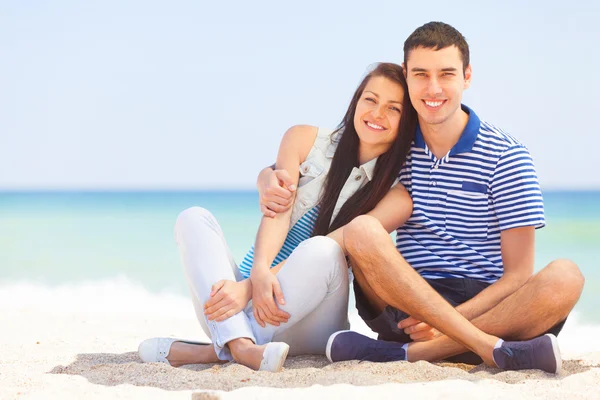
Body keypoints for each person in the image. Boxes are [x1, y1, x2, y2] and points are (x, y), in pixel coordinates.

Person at [257, 22, 585, 374]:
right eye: (421, 74)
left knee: (567, 276)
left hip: (489, 308)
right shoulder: (394, 141)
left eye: (446, 74)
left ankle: (415, 354)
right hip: (403, 302)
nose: (433, 88)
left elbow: (518, 276)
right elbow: (326, 154)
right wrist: (266, 178)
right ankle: (485, 348)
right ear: (406, 76)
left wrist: (444, 322)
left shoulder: (507, 156)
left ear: (467, 76)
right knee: (362, 231)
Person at [137, 62, 417, 372]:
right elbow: (277, 211)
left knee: (324, 249)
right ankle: (242, 347)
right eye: (371, 99)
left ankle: (218, 349)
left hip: (312, 317)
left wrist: (248, 288)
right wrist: (256, 274)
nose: (377, 113)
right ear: (356, 100)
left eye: (394, 109)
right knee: (193, 218)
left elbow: (339, 244)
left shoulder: (398, 196)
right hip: (237, 305)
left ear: (407, 123)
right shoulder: (303, 139)